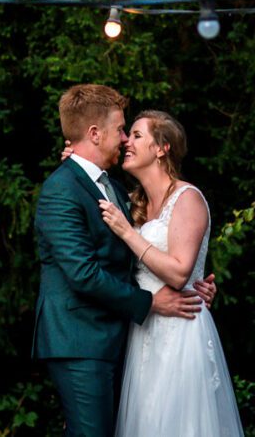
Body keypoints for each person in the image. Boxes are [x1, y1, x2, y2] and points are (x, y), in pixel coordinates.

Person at [32, 84, 216, 437]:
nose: (124, 139)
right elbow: (83, 273)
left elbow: (134, 261)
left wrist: (198, 282)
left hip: (122, 338)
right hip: (81, 339)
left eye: (132, 133)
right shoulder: (62, 188)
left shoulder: (115, 190)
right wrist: (150, 300)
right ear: (94, 133)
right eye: (121, 130)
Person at [97, 110, 244, 437]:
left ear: (162, 148)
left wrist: (127, 233)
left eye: (136, 135)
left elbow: (179, 274)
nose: (126, 142)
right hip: (144, 334)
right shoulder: (134, 203)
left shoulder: (187, 199)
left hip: (181, 333)